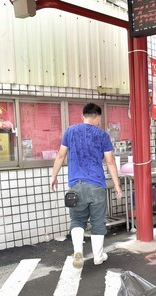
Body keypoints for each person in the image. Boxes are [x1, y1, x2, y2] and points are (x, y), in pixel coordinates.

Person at [51, 103, 123, 268]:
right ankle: (98, 256)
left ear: (83, 116)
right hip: (96, 185)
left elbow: (61, 155)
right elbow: (110, 162)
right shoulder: (102, 135)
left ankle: (78, 253)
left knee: (77, 220)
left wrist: (53, 176)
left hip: (76, 185)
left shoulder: (70, 131)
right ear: (98, 117)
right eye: (100, 118)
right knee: (98, 221)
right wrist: (117, 185)